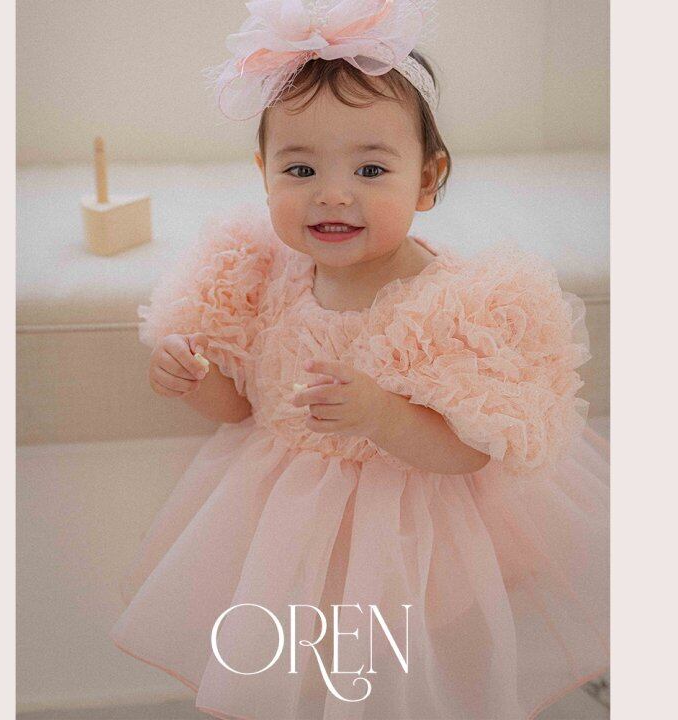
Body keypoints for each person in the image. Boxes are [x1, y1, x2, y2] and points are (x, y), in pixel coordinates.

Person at [110, 2, 609, 718]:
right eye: (301, 168)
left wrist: (383, 415)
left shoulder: (454, 305)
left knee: (404, 667)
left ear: (428, 179)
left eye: (371, 168)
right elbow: (240, 408)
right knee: (307, 662)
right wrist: (194, 379)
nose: (333, 194)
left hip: (413, 528)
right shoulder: (262, 271)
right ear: (264, 174)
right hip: (287, 516)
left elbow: (470, 451)